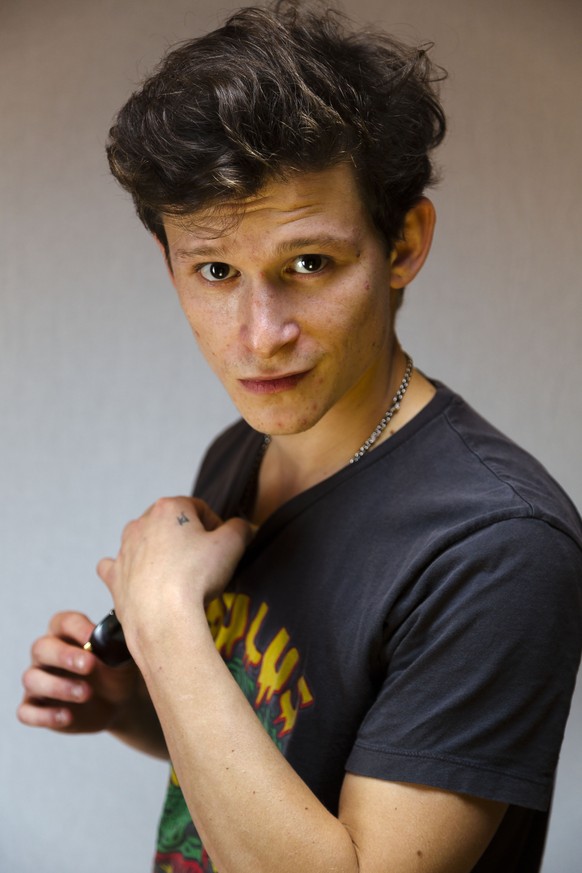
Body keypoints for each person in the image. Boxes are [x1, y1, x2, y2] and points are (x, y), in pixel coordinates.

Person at [17, 3, 582, 872]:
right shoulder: (244, 450)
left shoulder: (499, 546)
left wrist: (166, 624)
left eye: (308, 264)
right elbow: (285, 764)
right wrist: (135, 701)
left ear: (403, 245)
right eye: (215, 271)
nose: (258, 336)